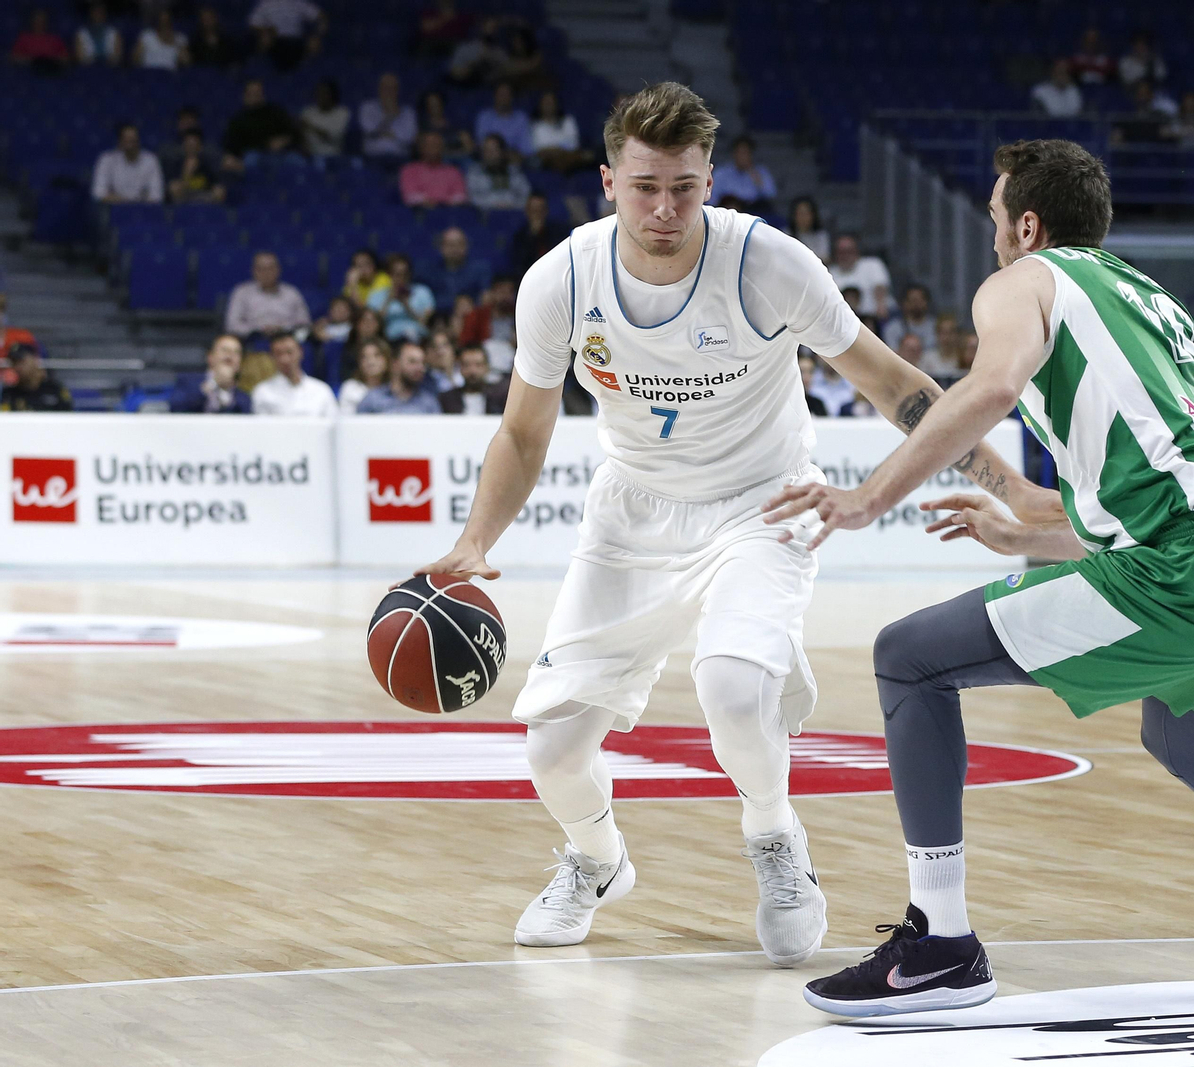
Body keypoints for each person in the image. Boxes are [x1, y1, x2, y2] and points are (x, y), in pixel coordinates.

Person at [411, 82, 1039, 967]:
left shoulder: (768, 263)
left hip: (762, 501)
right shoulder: (562, 280)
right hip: (632, 513)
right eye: (644, 188)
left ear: (712, 179)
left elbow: (893, 382)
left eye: (685, 187)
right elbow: (522, 431)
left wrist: (1010, 487)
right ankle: (596, 859)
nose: (665, 209)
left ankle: (776, 837)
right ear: (608, 182)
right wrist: (477, 540)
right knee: (551, 749)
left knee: (736, 691)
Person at [776, 137, 1194, 1017]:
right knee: (1185, 741)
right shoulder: (1141, 294)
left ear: (1028, 225)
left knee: (909, 657)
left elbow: (992, 388)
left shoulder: (1021, 281)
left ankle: (941, 944)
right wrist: (1023, 522)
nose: (993, 234)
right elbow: (1160, 492)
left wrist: (868, 497)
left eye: (995, 217)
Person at [225, 252, 312, 338]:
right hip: (252, 340)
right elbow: (231, 325)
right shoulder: (241, 292)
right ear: (253, 271)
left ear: (278, 270)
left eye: (270, 268)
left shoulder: (292, 293)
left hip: (286, 338)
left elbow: (304, 324)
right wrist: (258, 329)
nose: (266, 273)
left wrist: (284, 329)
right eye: (261, 269)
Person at [251, 332, 338, 416]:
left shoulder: (321, 390)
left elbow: (333, 422)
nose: (285, 359)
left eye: (289, 352)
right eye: (279, 354)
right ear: (272, 357)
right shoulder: (263, 392)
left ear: (300, 352)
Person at [222, 80, 300, 166]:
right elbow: (232, 145)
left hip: (281, 153)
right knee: (250, 160)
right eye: (251, 93)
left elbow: (292, 132)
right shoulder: (238, 120)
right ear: (245, 96)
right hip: (253, 155)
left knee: (296, 159)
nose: (255, 96)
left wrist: (283, 140)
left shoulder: (276, 112)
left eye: (257, 93)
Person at [171, 334, 252, 414]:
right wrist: (213, 383)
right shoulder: (187, 383)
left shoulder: (244, 398)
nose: (230, 356)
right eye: (225, 350)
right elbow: (176, 408)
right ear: (210, 356)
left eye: (236, 352)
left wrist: (226, 397)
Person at [357, 339, 442, 414]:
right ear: (395, 364)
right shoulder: (372, 399)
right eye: (412, 362)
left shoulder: (429, 404)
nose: (420, 368)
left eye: (422, 363)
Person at [460, 274, 518, 376]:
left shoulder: (519, 316)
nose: (505, 297)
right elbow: (466, 343)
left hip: (513, 367)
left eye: (509, 292)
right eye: (501, 292)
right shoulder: (477, 316)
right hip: (483, 366)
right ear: (492, 293)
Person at [368, 254, 435, 342]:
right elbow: (374, 325)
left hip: (419, 337)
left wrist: (406, 305)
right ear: (389, 275)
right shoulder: (376, 296)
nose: (401, 278)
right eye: (397, 274)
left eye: (405, 274)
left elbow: (425, 323)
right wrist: (388, 300)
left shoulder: (423, 292)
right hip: (389, 339)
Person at [92, 125, 164, 205]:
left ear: (138, 141)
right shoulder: (106, 160)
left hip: (142, 208)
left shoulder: (151, 160)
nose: (130, 144)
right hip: (114, 208)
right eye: (126, 140)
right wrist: (124, 202)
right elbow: (98, 193)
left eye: (133, 140)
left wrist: (135, 204)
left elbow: (157, 196)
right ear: (120, 141)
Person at [828, 233, 892, 321]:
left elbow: (880, 287)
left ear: (856, 251)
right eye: (841, 252)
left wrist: (881, 307)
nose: (845, 256)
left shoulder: (872, 264)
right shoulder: (829, 273)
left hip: (874, 318)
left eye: (849, 251)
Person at [506, 192, 569, 277]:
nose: (537, 214)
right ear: (527, 211)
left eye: (540, 210)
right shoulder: (519, 236)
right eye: (534, 210)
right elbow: (519, 265)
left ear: (546, 211)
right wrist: (532, 236)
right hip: (529, 277)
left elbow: (561, 258)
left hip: (555, 275)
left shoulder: (559, 232)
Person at [248, 0, 325, 69]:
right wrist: (264, 31)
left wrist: (317, 35)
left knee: (314, 44)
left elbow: (322, 18)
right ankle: (261, 71)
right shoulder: (266, 3)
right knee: (264, 40)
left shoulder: (299, 3)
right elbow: (253, 23)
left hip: (296, 42)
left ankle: (308, 71)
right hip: (274, 41)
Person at [400, 131, 467, 208]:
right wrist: (432, 202)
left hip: (449, 211)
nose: (433, 148)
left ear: (442, 147)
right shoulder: (409, 170)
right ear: (421, 147)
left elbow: (461, 196)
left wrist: (441, 204)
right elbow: (410, 196)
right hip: (420, 212)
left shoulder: (453, 171)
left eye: (436, 144)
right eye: (429, 145)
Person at [426, 227, 491, 307]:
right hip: (439, 313)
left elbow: (485, 298)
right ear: (441, 248)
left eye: (459, 244)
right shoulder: (429, 271)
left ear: (466, 246)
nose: (455, 249)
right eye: (450, 245)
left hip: (471, 312)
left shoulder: (480, 269)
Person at [360, 73, 418, 161]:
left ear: (397, 91)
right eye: (385, 88)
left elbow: (409, 138)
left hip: (401, 159)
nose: (389, 92)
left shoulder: (408, 112)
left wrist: (383, 133)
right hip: (372, 158)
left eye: (392, 88)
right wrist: (390, 116)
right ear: (379, 89)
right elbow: (370, 130)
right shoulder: (368, 108)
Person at [530, 91, 591, 173]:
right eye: (546, 103)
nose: (549, 105)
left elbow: (574, 146)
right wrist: (558, 152)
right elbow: (539, 152)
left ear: (557, 104)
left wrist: (559, 151)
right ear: (540, 105)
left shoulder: (568, 121)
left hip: (571, 160)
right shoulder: (536, 126)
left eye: (551, 102)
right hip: (548, 163)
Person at [467, 133, 531, 211]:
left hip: (514, 212)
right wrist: (495, 203)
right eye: (486, 150)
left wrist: (510, 204)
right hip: (485, 214)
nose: (490, 154)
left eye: (494, 150)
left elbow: (526, 195)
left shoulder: (514, 172)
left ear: (502, 152)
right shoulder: (474, 172)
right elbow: (472, 198)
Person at [439, 345, 508, 415]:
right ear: (460, 368)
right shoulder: (447, 399)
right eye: (467, 365)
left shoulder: (501, 397)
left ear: (487, 368)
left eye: (478, 365)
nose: (472, 371)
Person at [0, 345, 72, 411]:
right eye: (14, 363)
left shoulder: (55, 390)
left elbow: (68, 416)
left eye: (21, 361)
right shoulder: (9, 394)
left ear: (35, 359)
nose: (17, 367)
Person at [716, 136, 777, 213]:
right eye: (740, 152)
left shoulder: (761, 171)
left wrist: (754, 175)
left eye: (746, 153)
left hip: (753, 210)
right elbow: (713, 198)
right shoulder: (722, 172)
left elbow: (770, 194)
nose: (742, 156)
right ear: (734, 153)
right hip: (728, 210)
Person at [475, 82, 534, 159]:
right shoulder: (484, 117)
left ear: (512, 98)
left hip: (514, 160)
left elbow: (526, 149)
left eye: (506, 94)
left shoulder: (521, 118)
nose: (503, 98)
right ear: (495, 97)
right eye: (501, 95)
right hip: (488, 160)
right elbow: (481, 144)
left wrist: (511, 156)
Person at [167, 130, 226, 204]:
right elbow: (172, 186)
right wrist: (187, 172)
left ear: (200, 147)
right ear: (183, 146)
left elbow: (216, 185)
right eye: (189, 145)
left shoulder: (207, 165)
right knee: (174, 187)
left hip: (203, 197)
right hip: (184, 197)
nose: (191, 148)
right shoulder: (176, 165)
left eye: (194, 145)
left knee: (219, 192)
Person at [880, 283, 936, 355]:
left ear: (927, 302)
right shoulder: (892, 328)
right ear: (904, 303)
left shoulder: (936, 327)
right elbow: (892, 354)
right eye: (913, 300)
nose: (917, 304)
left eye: (920, 300)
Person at [339, 337, 390, 415]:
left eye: (377, 355)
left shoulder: (395, 388)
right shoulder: (350, 388)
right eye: (364, 357)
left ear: (387, 359)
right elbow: (346, 419)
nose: (371, 362)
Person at [300, 79, 350, 158]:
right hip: (309, 157)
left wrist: (310, 126)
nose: (321, 97)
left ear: (332, 95)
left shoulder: (342, 113)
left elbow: (334, 137)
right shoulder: (308, 112)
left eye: (324, 93)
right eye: (318, 93)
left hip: (332, 157)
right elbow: (301, 137)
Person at [10, 8, 69, 73]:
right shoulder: (23, 38)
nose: (39, 23)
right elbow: (14, 58)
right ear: (32, 21)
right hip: (28, 72)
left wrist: (50, 61)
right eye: (37, 20)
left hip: (51, 71)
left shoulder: (55, 39)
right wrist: (34, 61)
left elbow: (65, 58)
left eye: (42, 20)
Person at [787, 196, 829, 263]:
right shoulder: (786, 235)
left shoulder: (821, 236)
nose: (803, 217)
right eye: (800, 213)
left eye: (806, 213)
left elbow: (824, 258)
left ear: (813, 215)